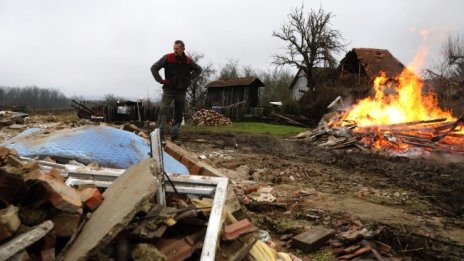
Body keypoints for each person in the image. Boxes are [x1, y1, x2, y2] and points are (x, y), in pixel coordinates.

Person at [151, 40, 202, 140]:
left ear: (183, 49)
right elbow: (154, 68)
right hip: (169, 89)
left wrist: (189, 78)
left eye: (177, 49)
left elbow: (198, 69)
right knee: (163, 109)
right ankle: (159, 133)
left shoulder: (188, 61)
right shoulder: (168, 57)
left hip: (181, 90)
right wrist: (160, 80)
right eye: (174, 48)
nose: (175, 50)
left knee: (178, 112)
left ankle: (174, 134)